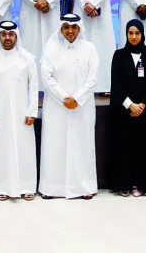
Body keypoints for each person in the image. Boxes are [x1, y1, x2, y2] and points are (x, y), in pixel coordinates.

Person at [39, 14, 100, 200]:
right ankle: (52, 188)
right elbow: (46, 77)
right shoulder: (51, 48)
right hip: (57, 107)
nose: (70, 31)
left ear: (80, 28)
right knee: (54, 145)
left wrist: (77, 98)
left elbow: (93, 78)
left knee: (82, 145)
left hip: (82, 108)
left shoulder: (90, 48)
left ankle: (84, 186)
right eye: (66, 27)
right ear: (61, 29)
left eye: (73, 27)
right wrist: (65, 98)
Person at [107, 19, 146, 197]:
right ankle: (123, 184)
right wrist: (130, 105)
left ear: (142, 34)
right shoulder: (119, 55)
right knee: (124, 148)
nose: (134, 37)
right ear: (126, 34)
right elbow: (116, 84)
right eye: (130, 33)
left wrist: (142, 105)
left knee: (143, 149)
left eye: (137, 33)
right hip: (124, 112)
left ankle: (142, 184)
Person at [0, 21, 39, 201]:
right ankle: (2, 188)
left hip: (23, 114)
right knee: (0, 150)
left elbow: (33, 88)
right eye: (4, 35)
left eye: (11, 34)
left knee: (25, 149)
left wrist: (32, 111)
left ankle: (27, 187)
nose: (7, 38)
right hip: (0, 114)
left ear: (16, 36)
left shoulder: (27, 58)